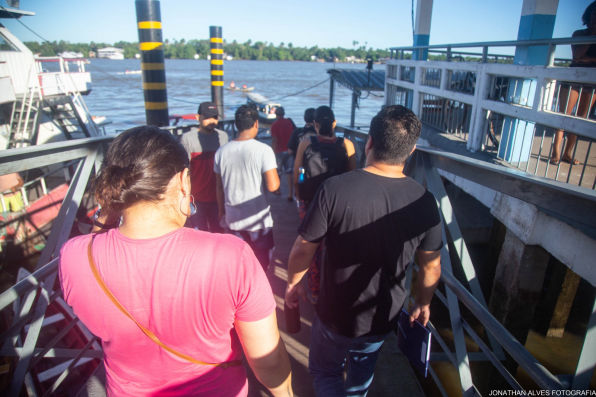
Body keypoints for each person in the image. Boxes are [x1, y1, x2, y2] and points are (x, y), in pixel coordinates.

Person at [59, 126, 292, 397]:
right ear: (183, 181)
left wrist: (108, 213)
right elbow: (268, 361)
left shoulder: (73, 256)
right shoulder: (230, 256)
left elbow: (95, 244)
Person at [285, 105, 442, 396]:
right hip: (383, 316)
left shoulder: (335, 189)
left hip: (335, 312)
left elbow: (303, 248)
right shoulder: (425, 201)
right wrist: (422, 302)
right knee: (360, 376)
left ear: (369, 141)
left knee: (325, 371)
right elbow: (431, 266)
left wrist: (293, 284)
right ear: (412, 150)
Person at [292, 105, 356, 303]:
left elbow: (296, 172)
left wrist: (298, 194)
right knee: (337, 245)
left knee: (311, 245)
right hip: (339, 203)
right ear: (335, 123)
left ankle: (315, 290)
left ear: (315, 124)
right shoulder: (347, 144)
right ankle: (335, 288)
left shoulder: (306, 142)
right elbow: (352, 174)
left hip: (311, 201)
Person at [214, 105, 280, 270]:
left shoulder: (221, 152)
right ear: (256, 124)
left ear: (236, 125)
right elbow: (273, 186)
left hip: (233, 219)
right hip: (258, 221)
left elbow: (219, 187)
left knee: (237, 265)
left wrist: (221, 212)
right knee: (261, 265)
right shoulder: (264, 150)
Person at [551, 1, 596, 166]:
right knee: (563, 116)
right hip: (573, 79)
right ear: (588, 15)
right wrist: (593, 34)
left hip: (592, 83)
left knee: (581, 119)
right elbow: (577, 56)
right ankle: (556, 152)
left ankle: (567, 153)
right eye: (594, 14)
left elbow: (583, 59)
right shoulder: (579, 34)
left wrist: (588, 59)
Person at [180, 101, 228, 232]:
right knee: (199, 235)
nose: (211, 121)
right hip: (197, 200)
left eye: (214, 117)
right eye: (207, 117)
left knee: (218, 234)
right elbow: (184, 172)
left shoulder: (223, 137)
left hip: (218, 200)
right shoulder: (187, 139)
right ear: (198, 117)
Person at [270, 106, 296, 201]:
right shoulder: (289, 122)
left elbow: (274, 140)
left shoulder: (274, 125)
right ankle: (290, 194)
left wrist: (272, 152)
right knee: (289, 172)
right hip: (289, 151)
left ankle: (278, 190)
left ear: (276, 115)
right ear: (284, 113)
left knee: (278, 172)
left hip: (279, 151)